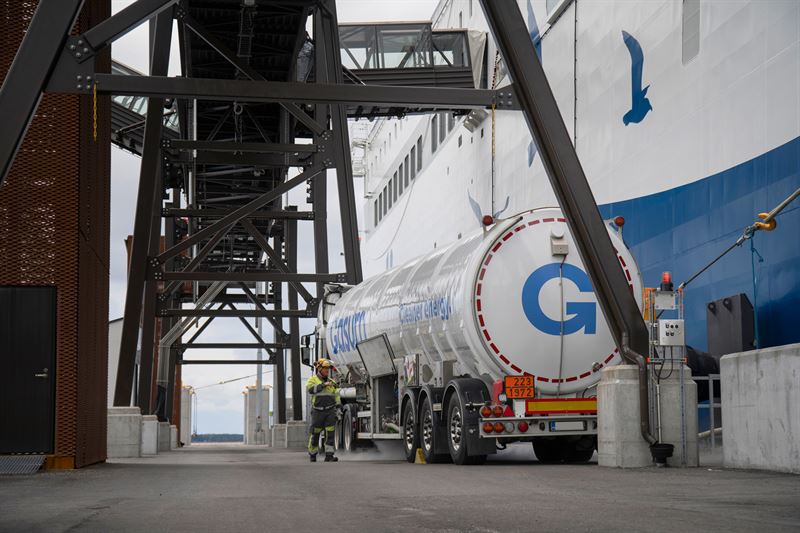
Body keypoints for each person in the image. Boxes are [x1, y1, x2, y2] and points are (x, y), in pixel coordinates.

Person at [306, 358, 341, 462]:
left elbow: (337, 395)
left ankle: (329, 455)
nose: (327, 370)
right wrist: (323, 385)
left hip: (330, 411)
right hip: (317, 411)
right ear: (319, 369)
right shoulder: (312, 380)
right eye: (325, 368)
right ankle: (313, 454)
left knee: (330, 434)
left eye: (328, 368)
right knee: (315, 433)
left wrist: (338, 407)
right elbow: (310, 390)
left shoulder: (332, 382)